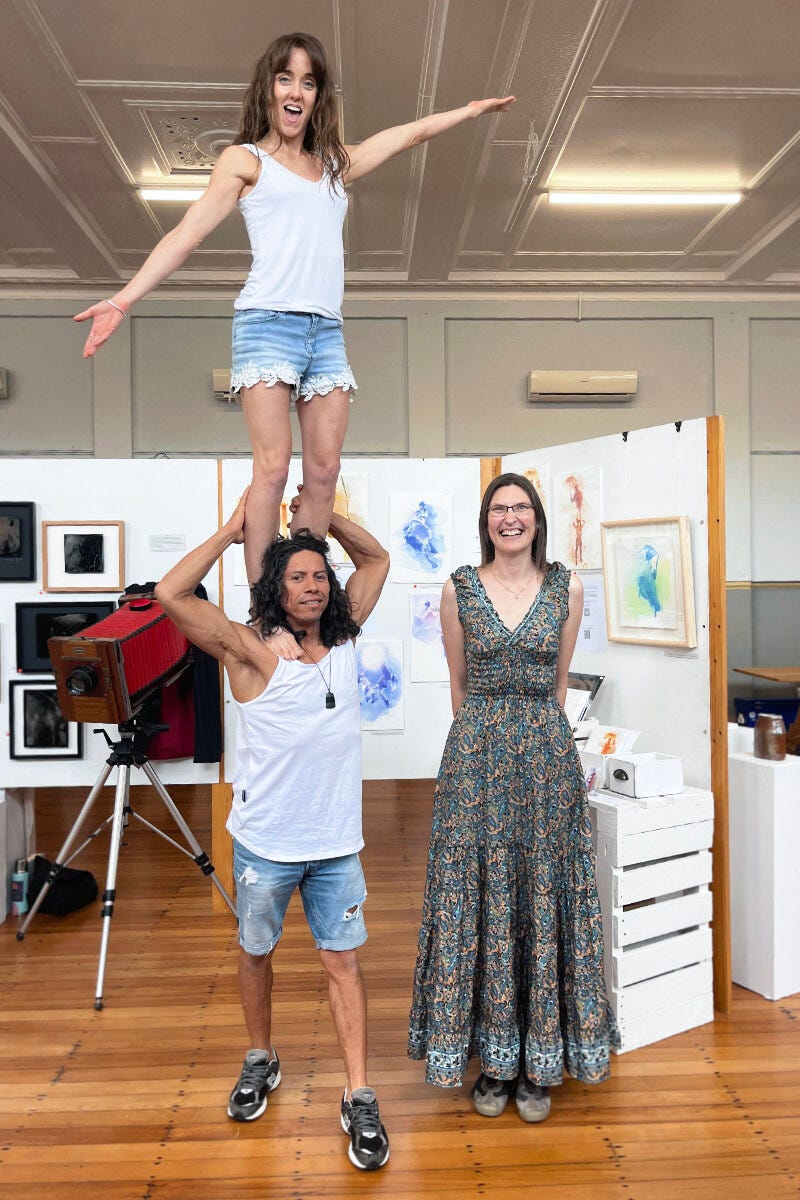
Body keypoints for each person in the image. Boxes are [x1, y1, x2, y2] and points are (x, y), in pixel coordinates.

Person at [76, 31, 515, 581]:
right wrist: (122, 300)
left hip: (325, 332)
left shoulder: (333, 165)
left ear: (317, 98)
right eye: (286, 78)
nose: (296, 91)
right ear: (268, 90)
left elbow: (405, 136)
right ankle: (266, 602)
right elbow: (186, 234)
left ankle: (303, 587)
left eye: (307, 82)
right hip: (266, 324)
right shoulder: (245, 161)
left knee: (325, 469)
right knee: (274, 468)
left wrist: (470, 111)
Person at [154, 489, 391, 1170]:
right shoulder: (251, 653)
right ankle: (260, 1058)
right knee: (256, 952)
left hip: (336, 846)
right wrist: (232, 528)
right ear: (275, 589)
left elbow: (375, 558)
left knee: (342, 963)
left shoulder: (345, 642)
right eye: (297, 576)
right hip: (264, 845)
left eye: (320, 574)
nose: (313, 586)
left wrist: (322, 524)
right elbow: (173, 594)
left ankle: (358, 1091)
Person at [408, 472, 618, 1122]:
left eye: (520, 508)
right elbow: (459, 683)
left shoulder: (568, 586)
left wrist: (534, 741)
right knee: (485, 899)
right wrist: (488, 743)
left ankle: (540, 1061)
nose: (510, 518)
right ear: (486, 520)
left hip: (546, 759)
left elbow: (558, 686)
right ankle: (492, 1062)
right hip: (475, 760)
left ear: (536, 518)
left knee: (540, 897)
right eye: (499, 509)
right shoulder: (458, 588)